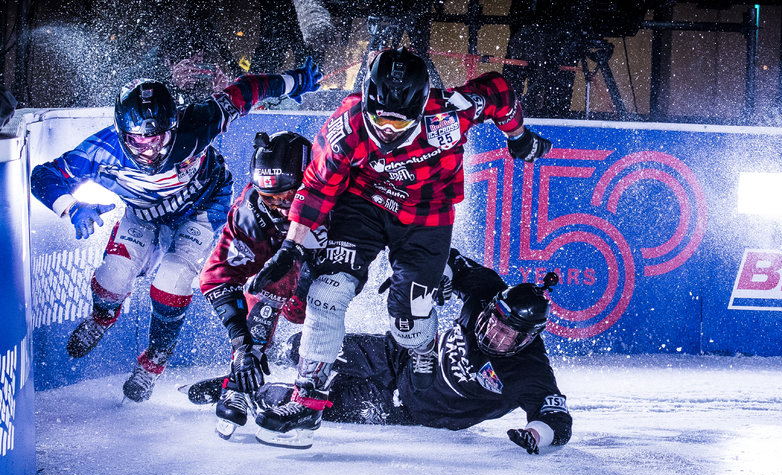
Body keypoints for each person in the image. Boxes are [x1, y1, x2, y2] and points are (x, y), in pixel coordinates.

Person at [244, 47, 552, 442]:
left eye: (399, 120)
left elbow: (499, 91)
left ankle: (420, 349)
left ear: (423, 106)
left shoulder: (452, 114)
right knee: (327, 289)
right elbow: (317, 188)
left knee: (407, 321)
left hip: (426, 216)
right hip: (364, 204)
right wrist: (291, 248)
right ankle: (308, 400)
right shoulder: (347, 122)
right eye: (380, 118)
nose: (387, 131)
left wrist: (518, 136)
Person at [29, 60, 322, 403]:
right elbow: (43, 175)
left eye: (159, 138)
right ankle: (102, 315)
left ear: (176, 123)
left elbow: (245, 92)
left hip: (201, 208)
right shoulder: (101, 150)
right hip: (142, 214)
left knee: (173, 277)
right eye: (138, 142)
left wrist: (294, 81)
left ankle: (153, 362)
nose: (150, 151)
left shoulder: (198, 122)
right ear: (121, 134)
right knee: (113, 277)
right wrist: (71, 206)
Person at [185, 248, 572, 452]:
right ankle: (244, 376)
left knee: (318, 403)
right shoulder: (489, 288)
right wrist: (436, 281)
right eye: (496, 322)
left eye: (510, 336)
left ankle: (259, 392)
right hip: (398, 355)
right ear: (492, 305)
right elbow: (447, 258)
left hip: (410, 408)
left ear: (530, 339)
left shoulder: (530, 369)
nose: (497, 336)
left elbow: (557, 419)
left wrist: (536, 436)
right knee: (303, 346)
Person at [198, 130, 327, 439]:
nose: (280, 206)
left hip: (324, 270)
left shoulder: (336, 193)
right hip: (281, 278)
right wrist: (242, 346)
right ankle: (241, 375)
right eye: (270, 197)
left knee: (318, 300)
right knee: (267, 283)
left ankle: (309, 379)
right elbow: (218, 278)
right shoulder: (248, 212)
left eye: (289, 196)